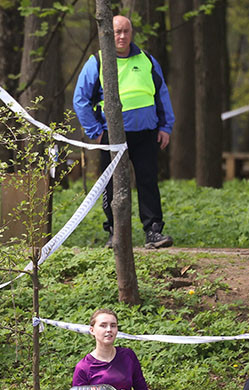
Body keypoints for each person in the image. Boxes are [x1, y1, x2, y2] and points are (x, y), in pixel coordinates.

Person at [72, 15, 174, 250]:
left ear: (131, 33)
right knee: (112, 186)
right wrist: (95, 131)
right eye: (117, 31)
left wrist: (165, 126)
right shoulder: (97, 61)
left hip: (147, 132)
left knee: (148, 181)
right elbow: (80, 100)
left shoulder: (147, 59)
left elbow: (162, 95)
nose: (122, 36)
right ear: (108, 33)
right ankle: (114, 233)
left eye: (126, 31)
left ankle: (153, 231)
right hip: (112, 136)